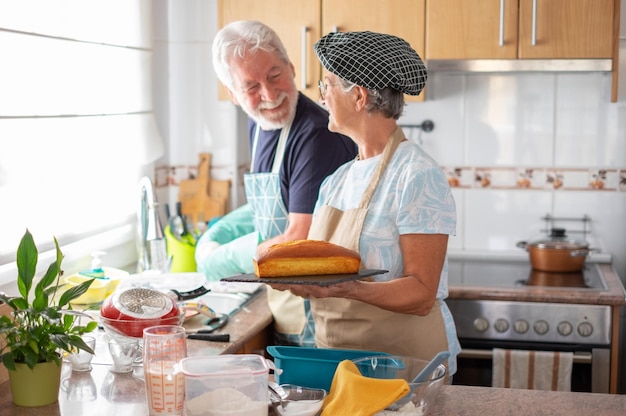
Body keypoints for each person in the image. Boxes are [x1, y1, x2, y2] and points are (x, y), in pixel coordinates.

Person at [268, 30, 461, 377]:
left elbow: (421, 293)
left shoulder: (416, 175)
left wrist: (352, 289)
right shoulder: (336, 180)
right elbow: (324, 269)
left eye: (326, 84)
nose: (322, 96)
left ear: (358, 96)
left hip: (405, 367)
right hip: (340, 365)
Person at [195, 21, 357, 347]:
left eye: (274, 75)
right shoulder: (259, 127)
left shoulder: (316, 135)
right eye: (251, 87)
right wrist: (218, 234)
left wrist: (224, 257)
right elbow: (274, 206)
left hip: (322, 314)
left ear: (292, 67)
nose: (269, 95)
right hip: (286, 305)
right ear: (234, 95)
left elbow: (300, 238)